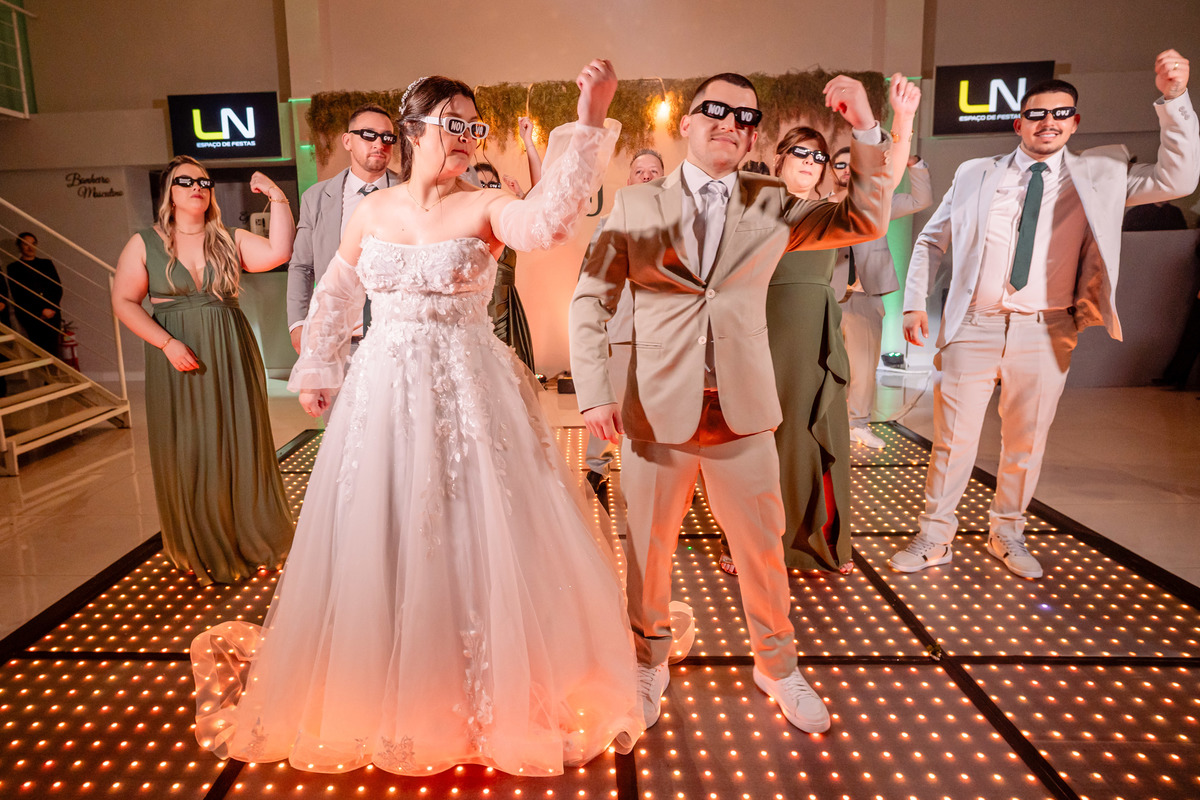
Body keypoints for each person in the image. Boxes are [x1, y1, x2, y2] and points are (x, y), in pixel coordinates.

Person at [191, 60, 644, 776]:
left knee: (472, 528)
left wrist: (589, 119)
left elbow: (549, 222)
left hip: (468, 393)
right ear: (413, 129)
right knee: (385, 525)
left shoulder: (486, 206)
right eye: (452, 123)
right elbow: (337, 291)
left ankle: (483, 688)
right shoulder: (372, 212)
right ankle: (386, 686)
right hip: (382, 392)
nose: (466, 137)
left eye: (475, 127)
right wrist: (320, 364)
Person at [570, 70, 899, 734]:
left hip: (743, 411)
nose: (731, 122)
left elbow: (864, 218)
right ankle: (648, 658)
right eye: (715, 109)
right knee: (648, 551)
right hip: (657, 411)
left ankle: (777, 665)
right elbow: (590, 298)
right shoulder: (635, 204)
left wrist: (866, 126)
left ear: (753, 138)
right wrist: (594, 392)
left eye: (746, 117)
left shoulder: (773, 201)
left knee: (763, 549)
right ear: (687, 122)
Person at [890, 50, 1199, 579]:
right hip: (974, 325)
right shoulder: (975, 173)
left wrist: (1174, 99)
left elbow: (1179, 178)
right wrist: (915, 301)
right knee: (952, 441)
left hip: (1046, 328)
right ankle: (934, 536)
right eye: (1036, 114)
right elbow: (930, 240)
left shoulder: (1101, 174)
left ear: (1074, 123)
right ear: (1019, 123)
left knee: (1026, 442)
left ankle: (1007, 531)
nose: (1048, 121)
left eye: (1060, 113)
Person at [111, 156, 296, 585]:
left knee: (239, 439)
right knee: (189, 446)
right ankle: (201, 541)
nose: (197, 186)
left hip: (230, 351)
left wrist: (277, 197)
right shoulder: (144, 242)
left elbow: (279, 252)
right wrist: (166, 343)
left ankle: (249, 536)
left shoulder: (229, 237)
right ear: (169, 192)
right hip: (177, 356)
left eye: (204, 181)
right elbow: (123, 301)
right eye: (186, 181)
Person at [829, 142, 932, 449]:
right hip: (826, 297)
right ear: (831, 170)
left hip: (865, 296)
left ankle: (858, 424)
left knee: (863, 368)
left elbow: (921, 199)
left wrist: (911, 160)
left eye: (853, 164)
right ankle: (827, 425)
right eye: (840, 164)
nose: (847, 170)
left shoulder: (878, 205)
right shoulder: (819, 205)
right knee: (825, 368)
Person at [583, 147, 667, 510]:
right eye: (639, 171)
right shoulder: (609, 222)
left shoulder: (678, 223)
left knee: (660, 409)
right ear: (628, 180)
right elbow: (591, 280)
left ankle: (665, 475)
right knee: (612, 404)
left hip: (665, 334)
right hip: (620, 330)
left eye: (654, 171)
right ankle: (596, 469)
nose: (646, 175)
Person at [286, 103, 400, 359]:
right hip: (337, 341)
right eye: (368, 135)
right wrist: (297, 323)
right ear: (348, 141)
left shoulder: (409, 192)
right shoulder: (316, 197)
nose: (379, 143)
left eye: (387, 137)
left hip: (398, 341)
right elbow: (302, 266)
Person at [477, 158, 537, 371]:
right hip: (477, 308)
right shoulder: (462, 224)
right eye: (481, 184)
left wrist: (520, 196)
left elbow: (535, 221)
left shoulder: (505, 221)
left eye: (493, 185)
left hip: (507, 306)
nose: (487, 189)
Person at [6, 232, 64, 356]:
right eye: (26, 244)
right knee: (39, 349)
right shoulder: (14, 268)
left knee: (54, 349)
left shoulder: (46, 264)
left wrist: (50, 308)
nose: (30, 248)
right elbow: (19, 294)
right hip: (31, 315)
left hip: (52, 313)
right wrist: (39, 311)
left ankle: (54, 369)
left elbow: (56, 288)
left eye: (33, 244)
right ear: (19, 246)